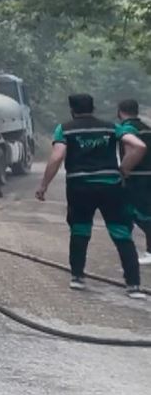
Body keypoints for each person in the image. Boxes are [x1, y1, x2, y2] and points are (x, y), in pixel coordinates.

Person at [35, 93, 146, 297]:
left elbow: (57, 156)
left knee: (80, 231)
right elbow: (139, 146)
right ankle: (134, 285)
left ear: (72, 110)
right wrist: (123, 169)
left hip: (80, 187)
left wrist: (44, 185)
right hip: (111, 187)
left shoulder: (65, 128)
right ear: (93, 108)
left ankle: (78, 277)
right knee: (121, 233)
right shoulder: (111, 127)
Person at [115, 98, 151, 266]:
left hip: (135, 177)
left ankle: (131, 252)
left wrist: (122, 170)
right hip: (148, 175)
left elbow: (132, 151)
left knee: (135, 213)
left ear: (120, 111)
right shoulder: (147, 129)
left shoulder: (127, 129)